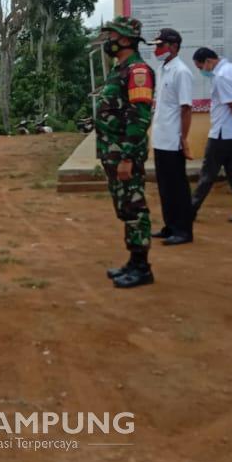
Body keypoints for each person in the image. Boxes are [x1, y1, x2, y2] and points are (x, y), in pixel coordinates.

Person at [96, 16, 155, 288]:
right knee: (124, 207)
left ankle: (142, 267)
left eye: (112, 36)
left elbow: (139, 117)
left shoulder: (137, 71)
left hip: (124, 153)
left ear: (125, 40)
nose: (108, 40)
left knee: (134, 207)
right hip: (113, 152)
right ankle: (133, 261)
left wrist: (128, 156)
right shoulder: (120, 69)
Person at [190, 48, 232, 225]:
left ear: (208, 61)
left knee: (208, 174)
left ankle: (190, 211)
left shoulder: (220, 77)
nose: (201, 71)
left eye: (200, 67)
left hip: (223, 134)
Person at [149, 28, 194, 246]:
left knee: (177, 186)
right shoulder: (162, 69)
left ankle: (183, 230)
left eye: (161, 45)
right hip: (160, 137)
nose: (157, 50)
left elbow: (186, 109)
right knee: (165, 186)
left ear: (174, 46)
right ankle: (170, 226)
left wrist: (184, 139)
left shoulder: (181, 72)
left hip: (174, 139)